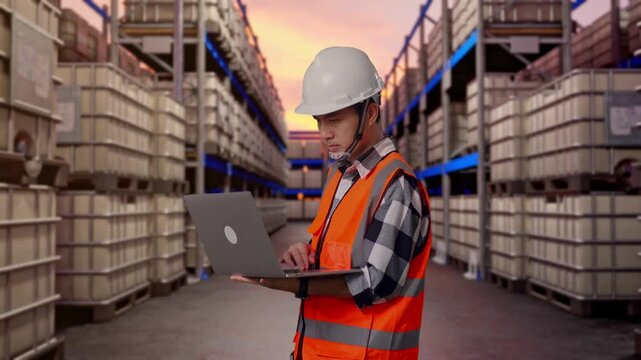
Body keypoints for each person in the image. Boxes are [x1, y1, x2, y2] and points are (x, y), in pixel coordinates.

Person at [232, 46, 432, 360]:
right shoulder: (340, 176)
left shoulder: (396, 185)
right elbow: (336, 255)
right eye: (319, 121)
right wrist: (306, 255)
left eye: (334, 120)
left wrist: (291, 285)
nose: (324, 134)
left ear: (370, 113)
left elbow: (376, 283)